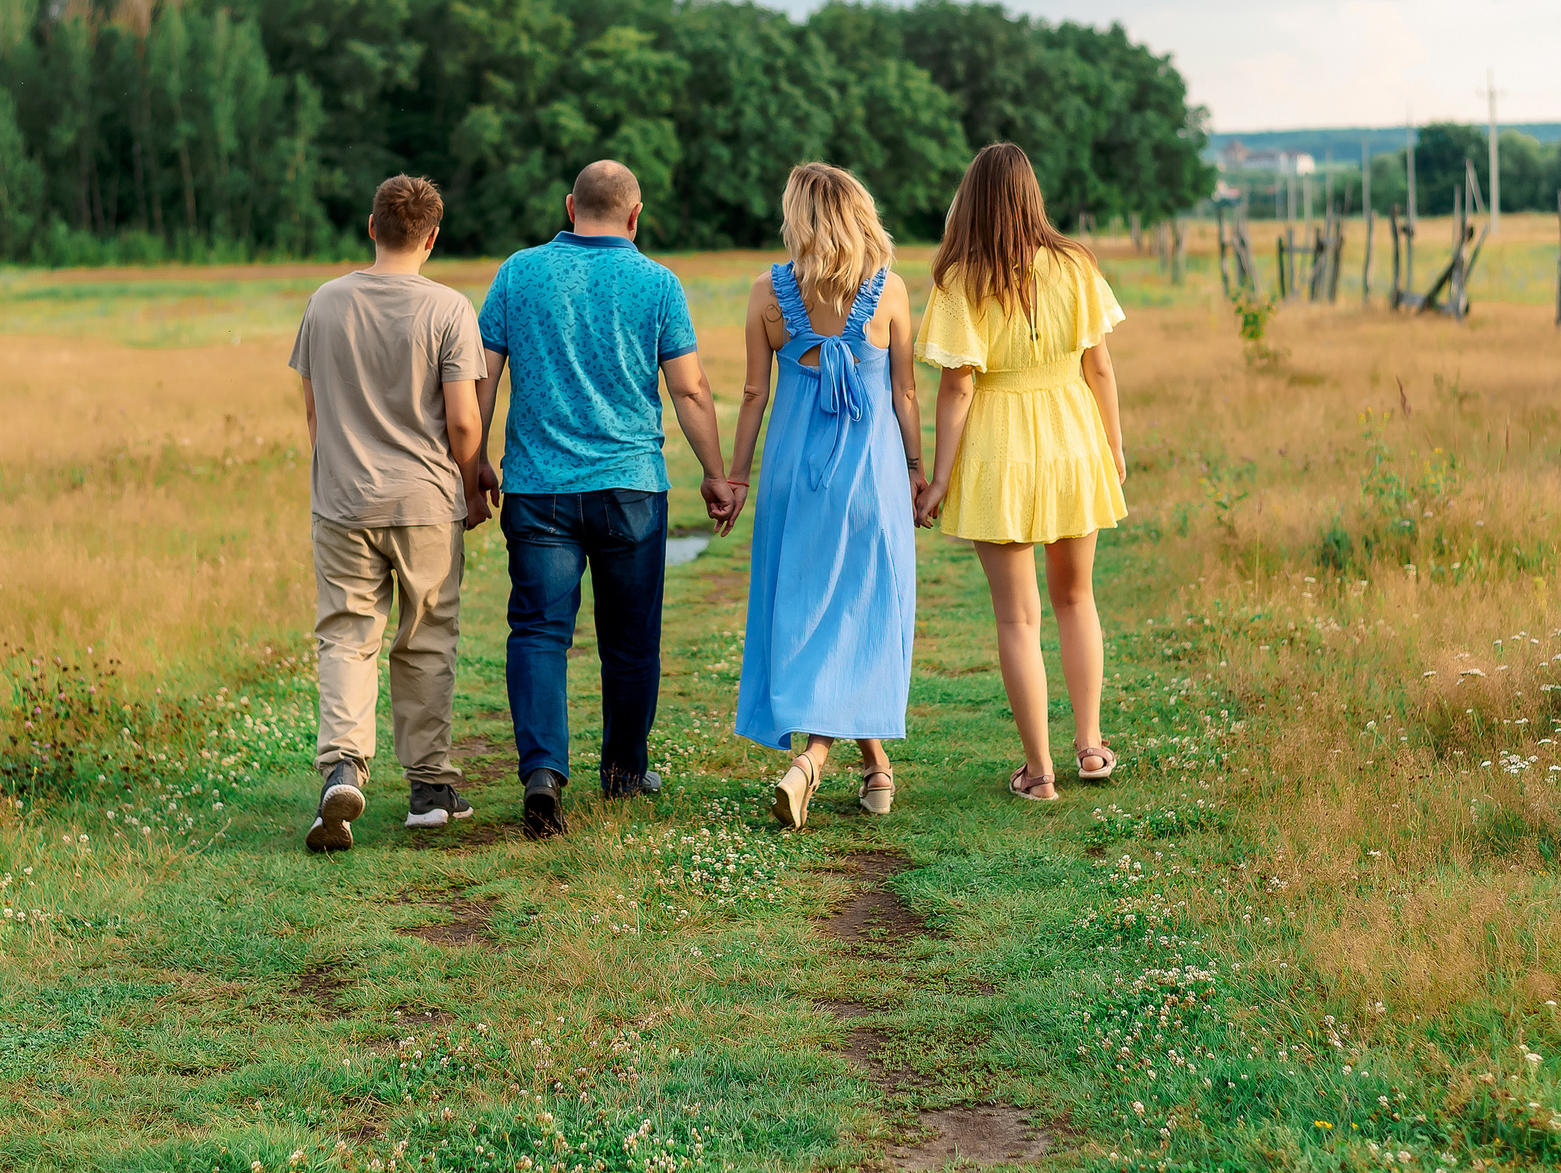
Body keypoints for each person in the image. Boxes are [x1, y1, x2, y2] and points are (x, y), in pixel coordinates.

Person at [475, 160, 739, 838]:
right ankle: (624, 771)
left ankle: (542, 772)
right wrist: (716, 472)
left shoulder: (519, 271)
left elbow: (484, 374)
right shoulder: (656, 282)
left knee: (539, 631)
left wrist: (472, 460)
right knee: (629, 641)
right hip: (631, 489)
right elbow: (690, 390)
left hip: (538, 488)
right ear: (634, 214)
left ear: (570, 206)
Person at [912, 144, 1128, 803]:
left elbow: (957, 388)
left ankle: (1039, 773)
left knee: (1018, 619)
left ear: (970, 199)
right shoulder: (1077, 264)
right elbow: (1100, 368)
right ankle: (1089, 746)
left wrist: (940, 476)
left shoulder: (960, 278)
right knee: (1076, 598)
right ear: (1033, 195)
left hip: (999, 448)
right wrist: (1114, 449)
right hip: (1072, 437)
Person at [291, 175, 491, 853]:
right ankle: (431, 789)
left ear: (371, 226)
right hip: (426, 502)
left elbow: (314, 412)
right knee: (425, 635)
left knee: (347, 634)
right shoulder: (449, 309)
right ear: (432, 238)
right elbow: (463, 420)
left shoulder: (325, 302)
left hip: (343, 501)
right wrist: (473, 483)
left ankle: (343, 767)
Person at [724, 164, 922, 828]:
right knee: (865, 612)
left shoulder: (765, 293)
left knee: (809, 610)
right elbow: (905, 393)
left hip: (791, 475)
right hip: (871, 474)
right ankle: (816, 760)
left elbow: (755, 394)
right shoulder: (889, 291)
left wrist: (738, 475)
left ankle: (874, 765)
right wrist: (919, 467)